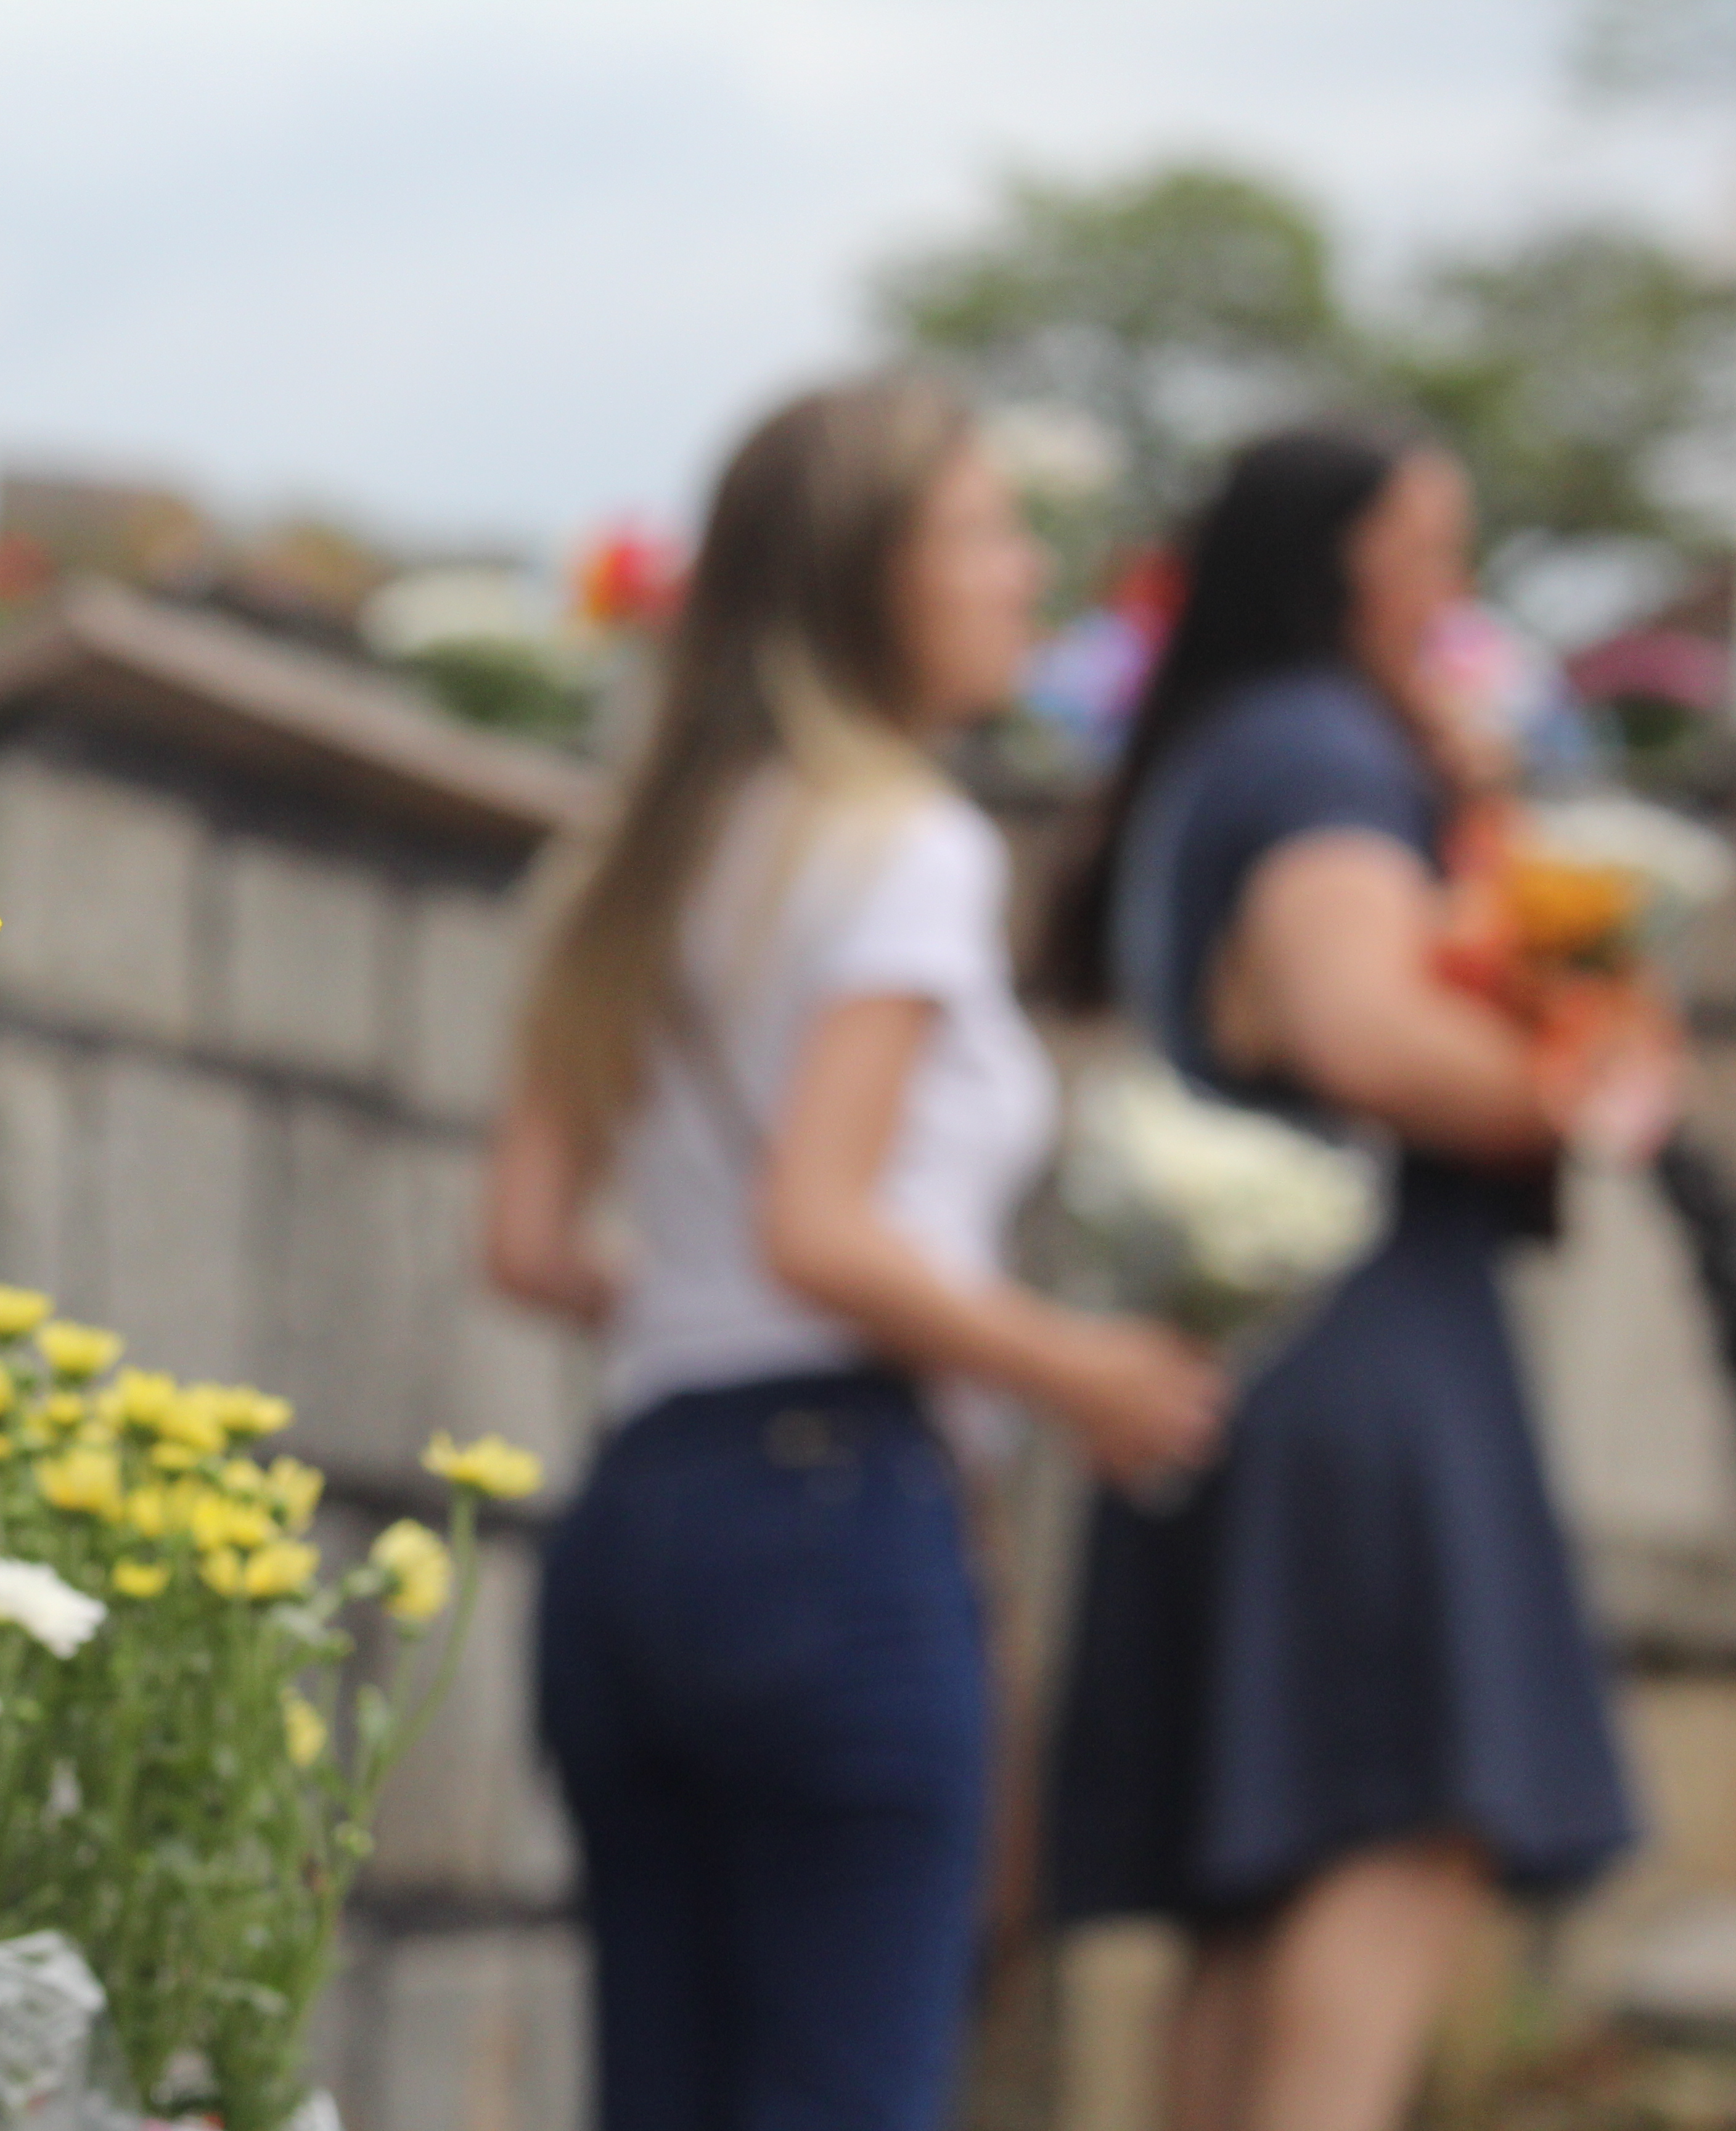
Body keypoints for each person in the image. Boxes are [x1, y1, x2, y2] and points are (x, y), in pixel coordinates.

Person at [483, 371, 1224, 2131]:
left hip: (642, 1512)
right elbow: (816, 1226)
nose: (1021, 571)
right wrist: (1086, 1370)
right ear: (864, 575)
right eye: (977, 529)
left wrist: (702, 1315)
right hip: (833, 1525)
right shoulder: (906, 846)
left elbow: (524, 1242)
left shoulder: (631, 860)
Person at [1038, 422, 1669, 2131]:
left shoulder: (1214, 755)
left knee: (1255, 1880)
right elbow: (1358, 1025)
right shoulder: (1323, 755)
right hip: (1366, 1361)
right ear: (1349, 568)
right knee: (1381, 1828)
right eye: (1432, 552)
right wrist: (1573, 1073)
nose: (1453, 593)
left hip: (1244, 1344)